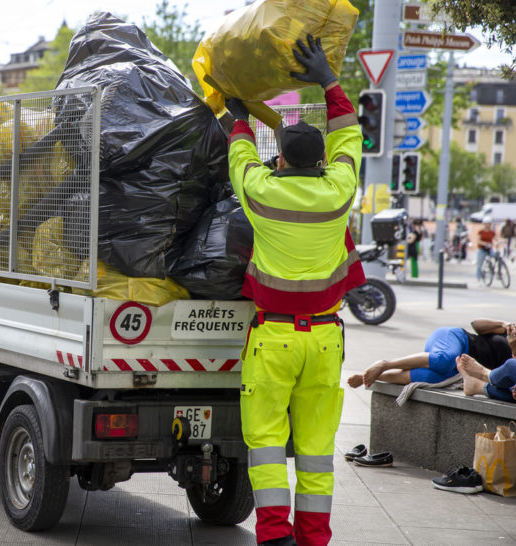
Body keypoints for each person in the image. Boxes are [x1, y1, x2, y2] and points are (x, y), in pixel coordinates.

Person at [224, 34, 365, 546]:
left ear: (279, 159)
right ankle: (312, 537)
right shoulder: (339, 193)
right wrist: (328, 78)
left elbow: (239, 159)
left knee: (264, 445)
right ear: (321, 160)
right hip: (325, 344)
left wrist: (238, 115)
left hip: (274, 342)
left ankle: (274, 535)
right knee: (316, 450)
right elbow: (350, 138)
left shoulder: (262, 193)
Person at [346, 318, 516, 387]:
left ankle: (369, 376)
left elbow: (515, 383)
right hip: (456, 340)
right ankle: (384, 363)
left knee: (431, 377)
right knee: (444, 360)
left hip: (459, 370)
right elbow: (476, 325)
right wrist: (503, 325)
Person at [475, 218, 496, 282]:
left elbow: (496, 238)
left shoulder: (492, 232)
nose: (488, 225)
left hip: (489, 249)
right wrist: (484, 243)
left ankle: (494, 269)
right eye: (486, 223)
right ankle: (478, 277)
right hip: (482, 249)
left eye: (489, 223)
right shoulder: (481, 231)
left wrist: (499, 242)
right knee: (479, 264)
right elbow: (478, 241)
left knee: (496, 256)